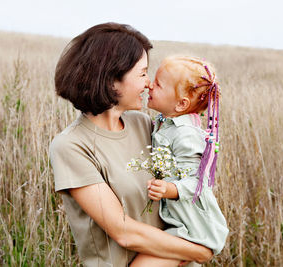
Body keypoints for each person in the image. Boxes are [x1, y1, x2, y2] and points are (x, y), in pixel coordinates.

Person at [49, 23, 213, 267]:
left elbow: (187, 185)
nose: (149, 83)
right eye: (142, 73)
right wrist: (199, 251)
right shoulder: (71, 146)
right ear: (111, 78)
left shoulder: (143, 124)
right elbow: (123, 231)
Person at [130, 56, 229, 266]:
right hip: (177, 222)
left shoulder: (186, 133)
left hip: (194, 229)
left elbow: (198, 182)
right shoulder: (165, 121)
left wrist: (169, 189)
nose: (150, 85)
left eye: (158, 84)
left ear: (181, 103)